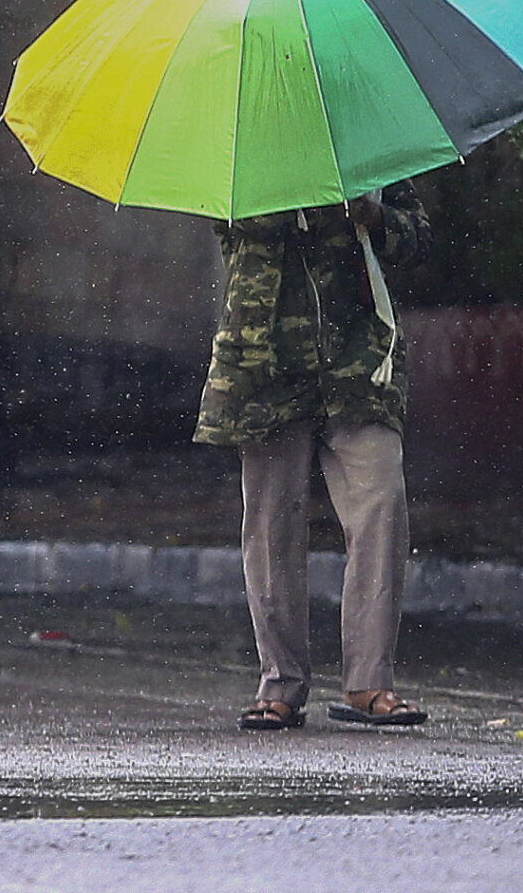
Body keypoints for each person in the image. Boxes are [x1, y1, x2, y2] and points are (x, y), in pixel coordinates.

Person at [195, 181, 431, 731]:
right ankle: (280, 683)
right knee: (271, 524)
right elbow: (231, 230)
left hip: (358, 363)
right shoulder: (238, 160)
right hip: (265, 363)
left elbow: (417, 238)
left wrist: (375, 217)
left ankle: (370, 681)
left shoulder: (359, 150)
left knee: (381, 504)